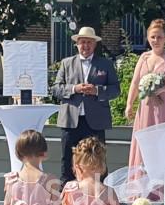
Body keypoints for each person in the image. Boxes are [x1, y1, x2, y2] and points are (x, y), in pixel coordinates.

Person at [51, 26, 120, 183]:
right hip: (71, 120)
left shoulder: (105, 64)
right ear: (77, 44)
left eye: (89, 42)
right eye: (82, 42)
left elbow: (115, 90)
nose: (86, 46)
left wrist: (97, 90)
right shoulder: (66, 63)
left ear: (95, 44)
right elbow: (55, 89)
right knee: (68, 161)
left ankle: (99, 191)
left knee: (97, 160)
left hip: (95, 121)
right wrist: (74, 88)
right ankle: (67, 193)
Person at [126, 19, 165, 178]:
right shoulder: (143, 58)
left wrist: (162, 89)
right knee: (145, 143)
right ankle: (142, 183)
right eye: (152, 37)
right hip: (146, 108)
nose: (156, 40)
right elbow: (135, 83)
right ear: (148, 38)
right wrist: (129, 104)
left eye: (159, 37)